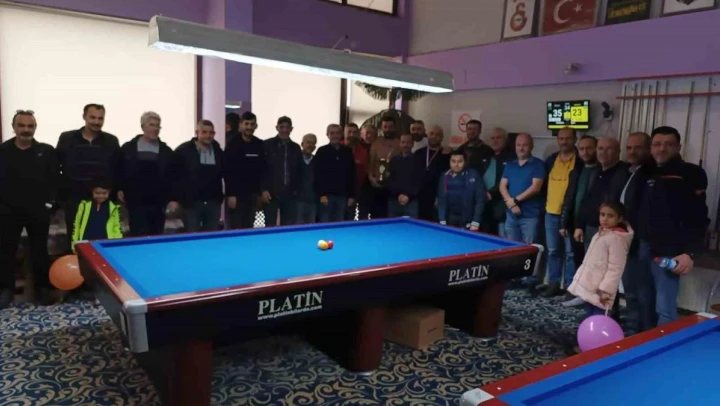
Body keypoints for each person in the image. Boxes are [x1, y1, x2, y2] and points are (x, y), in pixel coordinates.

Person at [638, 126, 709, 325]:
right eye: (657, 144)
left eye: (668, 144)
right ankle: (646, 339)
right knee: (643, 300)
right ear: (651, 147)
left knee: (664, 308)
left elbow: (699, 217)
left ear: (678, 147)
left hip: (669, 251)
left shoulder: (691, 173)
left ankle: (664, 342)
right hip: (642, 246)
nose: (662, 148)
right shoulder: (646, 172)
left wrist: (690, 252)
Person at [0, 110, 58, 308]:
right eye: (21, 125)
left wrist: (50, 204)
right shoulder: (3, 151)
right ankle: (5, 289)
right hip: (8, 211)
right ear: (14, 127)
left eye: (30, 126)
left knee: (40, 251)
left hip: (38, 210)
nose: (26, 129)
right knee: (6, 251)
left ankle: (43, 289)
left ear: (35, 128)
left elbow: (55, 180)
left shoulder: (46, 151)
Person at [57, 104, 119, 251]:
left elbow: (117, 169)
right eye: (92, 117)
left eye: (100, 118)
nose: (96, 122)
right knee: (75, 239)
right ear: (84, 117)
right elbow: (56, 165)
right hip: (74, 199)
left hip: (101, 200)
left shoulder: (111, 141)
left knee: (102, 239)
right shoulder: (67, 138)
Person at [568, 202, 633, 319]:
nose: (605, 219)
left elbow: (615, 268)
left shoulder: (617, 239)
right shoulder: (600, 234)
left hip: (601, 291)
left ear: (620, 218)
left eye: (610, 216)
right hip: (590, 286)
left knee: (599, 318)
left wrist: (605, 291)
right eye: (602, 215)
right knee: (589, 316)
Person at [116, 111, 173, 236]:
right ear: (142, 127)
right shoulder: (128, 148)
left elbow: (172, 176)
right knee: (138, 236)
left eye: (158, 126)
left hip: (158, 203)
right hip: (135, 202)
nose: (155, 129)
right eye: (151, 125)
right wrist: (119, 188)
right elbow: (119, 169)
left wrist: (171, 198)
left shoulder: (166, 151)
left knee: (156, 237)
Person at [543, 128, 582, 297]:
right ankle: (553, 283)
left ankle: (570, 287)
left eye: (567, 138)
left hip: (570, 214)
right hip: (550, 212)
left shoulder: (580, 161)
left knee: (570, 253)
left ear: (575, 139)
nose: (564, 141)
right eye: (561, 138)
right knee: (553, 251)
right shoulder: (551, 160)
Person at [169, 120, 225, 232]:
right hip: (191, 204)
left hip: (213, 203)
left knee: (212, 236)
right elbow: (173, 175)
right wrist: (173, 199)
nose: (208, 135)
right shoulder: (183, 150)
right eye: (204, 132)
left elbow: (224, 173)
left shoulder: (218, 151)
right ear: (197, 132)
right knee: (192, 235)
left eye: (211, 133)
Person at [499, 133, 545, 244]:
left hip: (530, 216)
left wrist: (515, 201)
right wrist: (511, 204)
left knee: (530, 249)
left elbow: (535, 187)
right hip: (511, 215)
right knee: (511, 248)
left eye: (525, 145)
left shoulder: (538, 164)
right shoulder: (510, 164)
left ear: (531, 146)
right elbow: (502, 186)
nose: (521, 148)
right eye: (518, 145)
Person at [224, 112, 266, 229]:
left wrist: (261, 192)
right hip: (236, 196)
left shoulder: (260, 144)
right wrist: (230, 194)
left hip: (253, 195)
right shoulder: (232, 144)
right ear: (241, 125)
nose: (249, 127)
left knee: (249, 227)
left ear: (256, 126)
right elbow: (227, 171)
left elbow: (263, 170)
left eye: (252, 124)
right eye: (246, 124)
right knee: (234, 228)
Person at [261, 116, 302, 226]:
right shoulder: (267, 145)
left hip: (290, 194)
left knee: (288, 226)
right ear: (277, 128)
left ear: (291, 129)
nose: (284, 130)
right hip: (271, 193)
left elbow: (299, 171)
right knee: (270, 225)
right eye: (282, 127)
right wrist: (263, 190)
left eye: (287, 127)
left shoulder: (296, 148)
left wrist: (297, 190)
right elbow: (262, 169)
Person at [314, 124, 355, 222]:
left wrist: (352, 196)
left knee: (340, 224)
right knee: (325, 224)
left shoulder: (347, 151)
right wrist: (321, 194)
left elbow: (352, 174)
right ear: (327, 135)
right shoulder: (321, 151)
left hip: (343, 196)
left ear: (341, 135)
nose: (335, 136)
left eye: (337, 133)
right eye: (332, 133)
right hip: (326, 197)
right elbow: (317, 175)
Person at [436, 150, 486, 230]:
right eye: (453, 161)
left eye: (460, 161)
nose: (456, 164)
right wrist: (442, 220)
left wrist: (475, 222)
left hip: (469, 221)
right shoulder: (444, 176)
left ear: (465, 162)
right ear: (449, 162)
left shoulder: (473, 174)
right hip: (450, 219)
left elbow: (480, 199)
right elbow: (441, 200)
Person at [71, 178, 122, 251]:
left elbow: (116, 227)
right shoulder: (84, 205)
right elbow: (77, 225)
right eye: (97, 193)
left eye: (104, 193)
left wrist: (117, 245)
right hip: (86, 243)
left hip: (106, 244)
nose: (101, 196)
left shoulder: (113, 207)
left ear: (109, 192)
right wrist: (74, 244)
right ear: (92, 192)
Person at [481, 127, 515, 236]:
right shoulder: (486, 156)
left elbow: (507, 180)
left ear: (505, 139)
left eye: (498, 138)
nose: (495, 141)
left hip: (501, 205)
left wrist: (491, 193)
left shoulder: (512, 158)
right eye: (492, 138)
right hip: (484, 205)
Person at [415, 125, 450, 223]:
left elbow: (448, 178)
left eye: (438, 134)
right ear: (427, 135)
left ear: (442, 137)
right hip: (419, 197)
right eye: (432, 134)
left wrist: (441, 196)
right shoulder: (418, 153)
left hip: (437, 198)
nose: (434, 136)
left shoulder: (447, 155)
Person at [368, 115, 401, 218]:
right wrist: (371, 178)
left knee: (391, 217)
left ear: (395, 128)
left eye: (390, 127)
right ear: (381, 128)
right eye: (385, 127)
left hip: (394, 188)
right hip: (377, 186)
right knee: (376, 217)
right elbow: (371, 163)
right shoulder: (376, 143)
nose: (388, 130)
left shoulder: (400, 144)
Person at [387, 134, 422, 218]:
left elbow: (419, 181)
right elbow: (390, 179)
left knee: (411, 226)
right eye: (403, 142)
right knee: (393, 225)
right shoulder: (394, 160)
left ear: (412, 144)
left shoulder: (418, 160)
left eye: (408, 142)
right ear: (399, 144)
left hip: (411, 201)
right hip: (394, 200)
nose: (405, 145)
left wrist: (408, 196)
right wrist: (398, 195)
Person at [296, 134, 318, 224]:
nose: (310, 145)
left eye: (313, 143)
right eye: (308, 142)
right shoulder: (295, 159)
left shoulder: (317, 160)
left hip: (313, 201)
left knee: (311, 226)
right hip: (297, 200)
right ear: (302, 144)